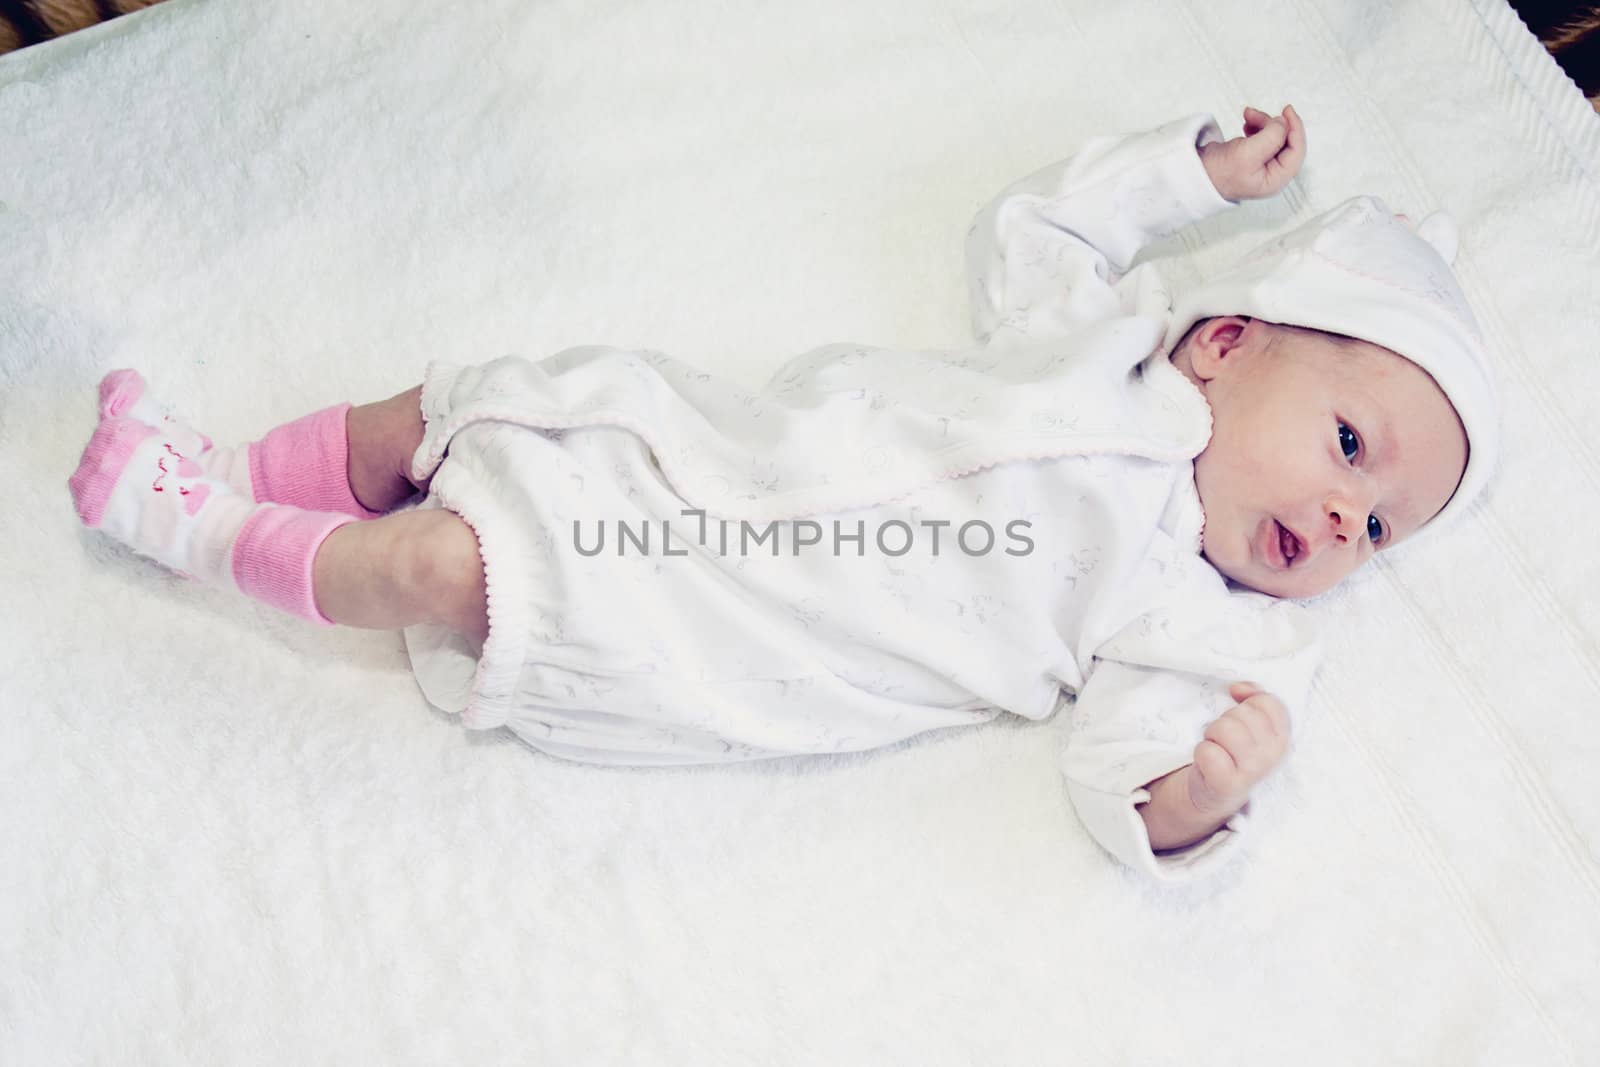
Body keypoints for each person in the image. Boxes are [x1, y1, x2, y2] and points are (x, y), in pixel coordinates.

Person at [67, 104, 1498, 882]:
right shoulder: (1103, 343)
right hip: (707, 448)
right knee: (478, 398)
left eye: (1380, 531)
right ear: (1230, 341)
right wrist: (1187, 175)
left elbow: (1115, 768)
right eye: (1352, 449)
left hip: (737, 630)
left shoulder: (1196, 619)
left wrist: (1195, 794)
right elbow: (1035, 224)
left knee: (451, 573)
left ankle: (189, 526)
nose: (1344, 523)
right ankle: (241, 467)